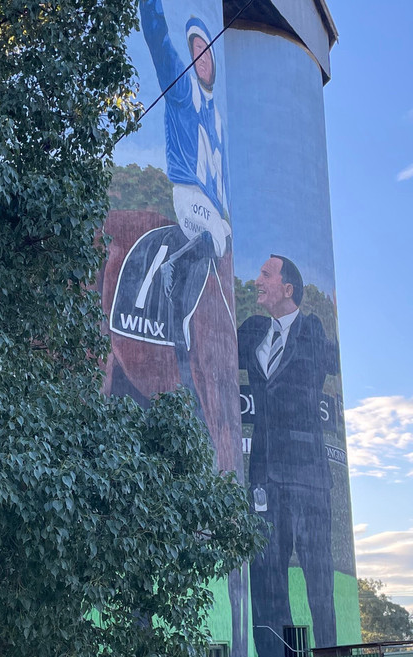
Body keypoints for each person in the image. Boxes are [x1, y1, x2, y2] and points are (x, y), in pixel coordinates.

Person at [238, 255, 340, 657]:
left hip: (309, 481)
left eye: (266, 275)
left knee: (320, 586)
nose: (257, 281)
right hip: (265, 481)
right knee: (269, 586)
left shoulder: (313, 331)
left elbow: (333, 361)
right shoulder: (252, 333)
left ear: (288, 288)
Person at [139, 0, 230, 410]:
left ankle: (186, 354)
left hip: (211, 206)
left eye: (207, 50)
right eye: (196, 50)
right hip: (189, 197)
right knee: (218, 236)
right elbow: (157, 40)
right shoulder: (182, 87)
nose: (203, 57)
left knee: (222, 243)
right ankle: (172, 262)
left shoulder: (217, 117)